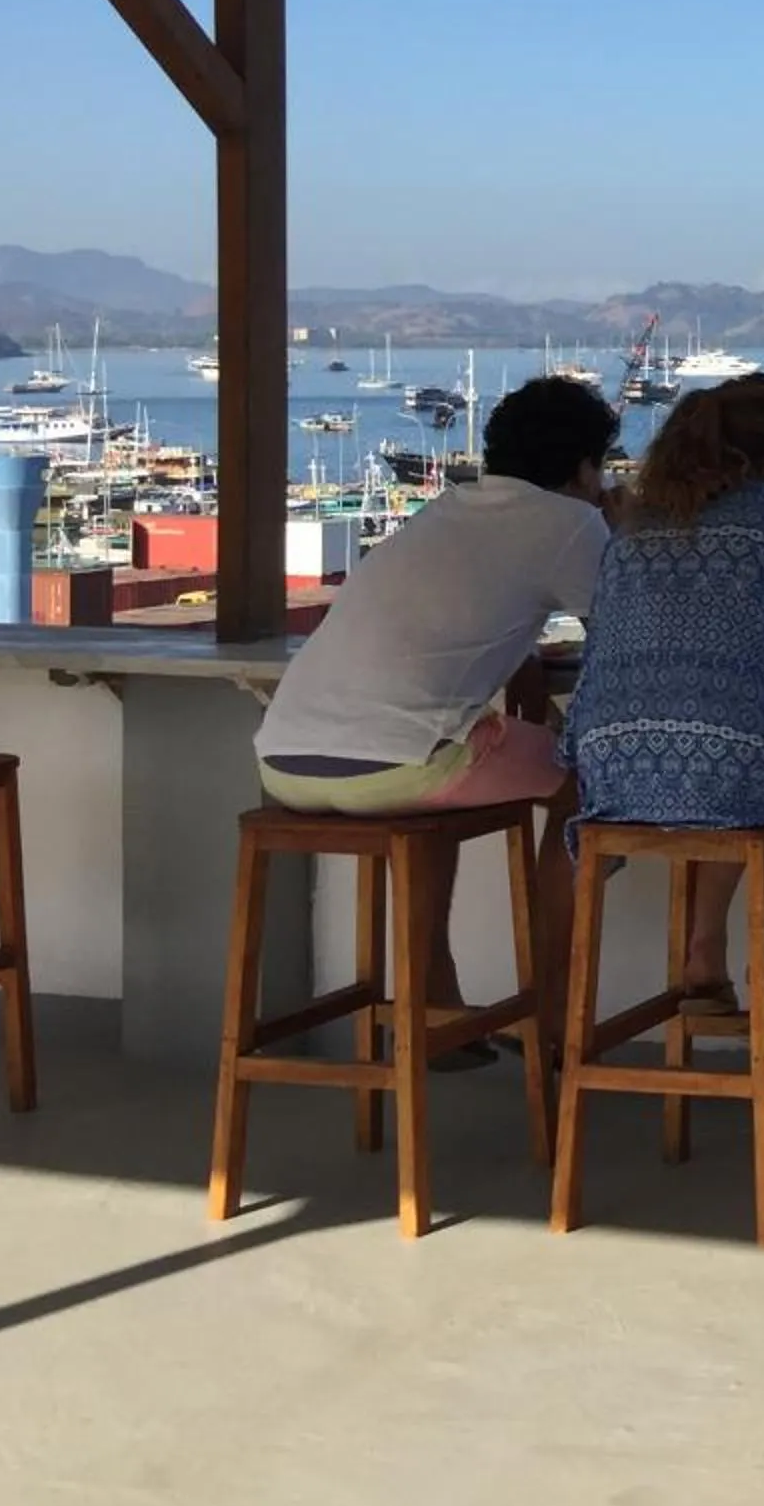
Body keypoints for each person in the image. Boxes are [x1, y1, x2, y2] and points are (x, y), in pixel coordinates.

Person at [253, 375, 619, 1056]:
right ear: (585, 467)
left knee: (452, 780)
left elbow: (481, 636)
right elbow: (630, 639)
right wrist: (619, 532)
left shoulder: (446, 512)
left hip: (283, 760)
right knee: (591, 791)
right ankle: (550, 1017)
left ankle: (437, 1004)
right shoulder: (571, 523)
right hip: (401, 763)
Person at [561, 373, 764, 1018]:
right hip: (739, 774)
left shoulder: (641, 520)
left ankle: (704, 958)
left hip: (612, 779)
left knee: (734, 767)